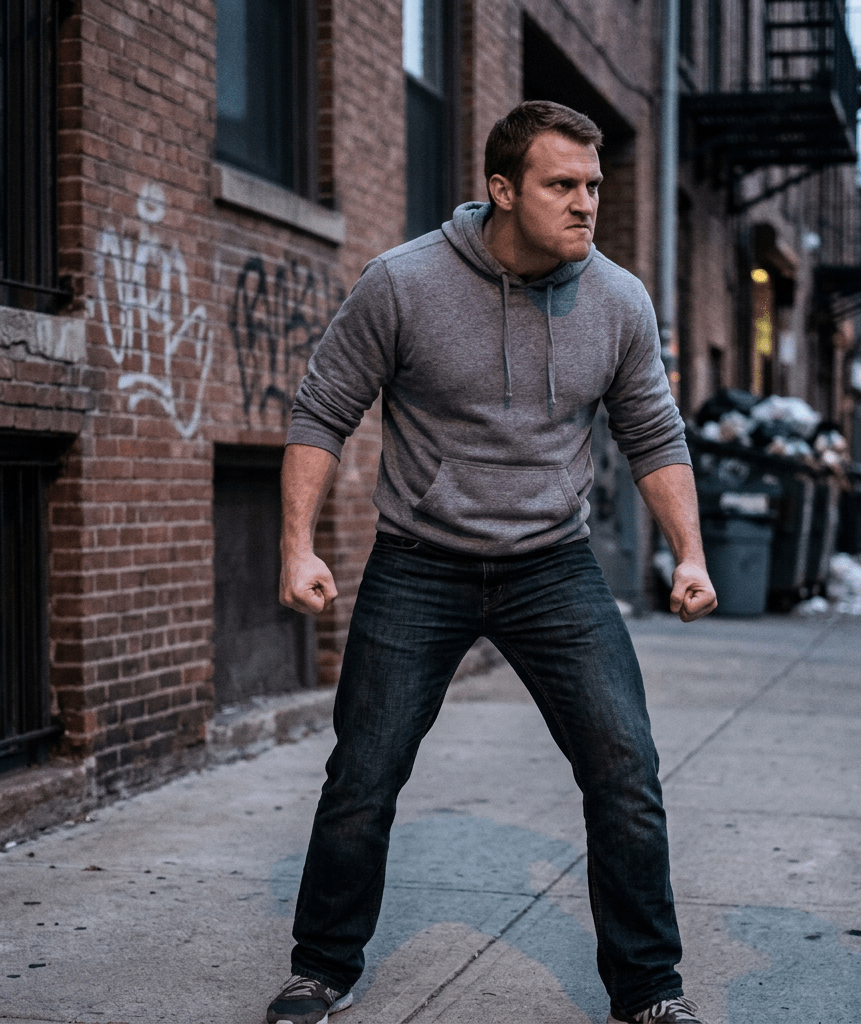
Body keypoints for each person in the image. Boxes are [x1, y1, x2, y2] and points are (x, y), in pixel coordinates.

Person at [265, 101, 717, 1024]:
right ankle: (321, 968)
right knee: (365, 775)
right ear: (503, 190)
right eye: (563, 185)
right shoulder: (404, 283)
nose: (586, 203)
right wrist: (297, 545)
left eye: (594, 185)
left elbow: (654, 435)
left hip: (553, 564)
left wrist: (691, 555)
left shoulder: (619, 300)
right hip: (419, 562)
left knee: (625, 770)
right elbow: (322, 411)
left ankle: (649, 990)